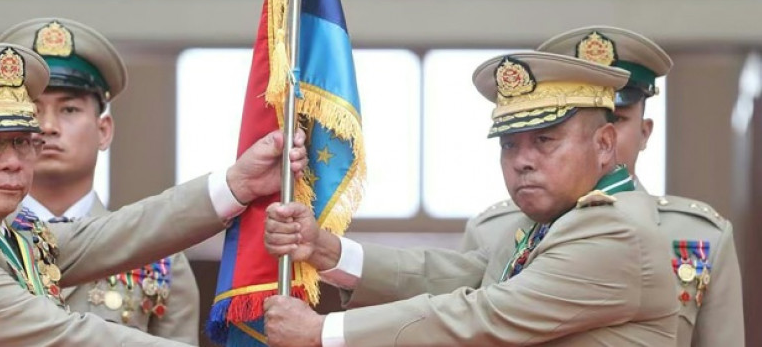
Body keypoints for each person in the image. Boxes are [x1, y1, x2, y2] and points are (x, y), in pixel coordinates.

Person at [0, 43, 307, 346]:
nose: (13, 161)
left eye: (21, 142)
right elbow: (68, 337)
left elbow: (107, 236)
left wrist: (236, 185)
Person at [262, 51, 679, 346]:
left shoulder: (613, 229)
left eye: (545, 140)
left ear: (605, 145)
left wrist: (324, 334)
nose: (522, 162)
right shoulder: (555, 218)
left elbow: (487, 314)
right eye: (509, 146)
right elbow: (461, 275)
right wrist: (327, 251)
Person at [462, 26, 744, 346]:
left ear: (644, 132)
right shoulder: (494, 231)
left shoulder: (702, 235)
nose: (602, 134)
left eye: (618, 118)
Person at [0, 18, 201, 343]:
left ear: (103, 131)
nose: (48, 126)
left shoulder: (157, 257)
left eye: (69, 110)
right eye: (33, 111)